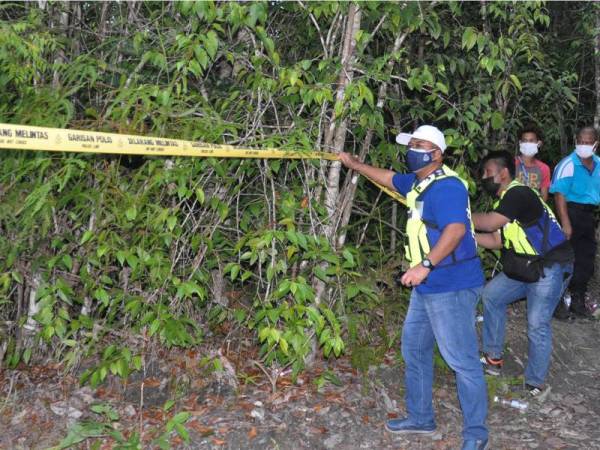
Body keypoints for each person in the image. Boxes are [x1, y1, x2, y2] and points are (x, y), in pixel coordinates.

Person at [339, 125, 488, 450]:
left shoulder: (447, 187)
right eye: (411, 145)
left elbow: (456, 231)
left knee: (461, 359)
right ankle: (421, 418)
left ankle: (476, 433)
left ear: (437, 153)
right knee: (415, 349)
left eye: (419, 145)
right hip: (428, 286)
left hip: (451, 283)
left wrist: (425, 265)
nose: (412, 150)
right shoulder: (421, 182)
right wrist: (355, 165)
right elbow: (390, 178)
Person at [473, 151, 573, 396]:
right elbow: (497, 239)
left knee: (537, 323)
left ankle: (534, 382)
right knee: (492, 296)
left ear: (503, 173)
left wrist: (456, 218)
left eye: (488, 172)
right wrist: (467, 236)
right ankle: (493, 358)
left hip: (550, 266)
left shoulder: (519, 193)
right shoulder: (505, 203)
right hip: (527, 266)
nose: (484, 178)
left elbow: (489, 224)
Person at [550, 126, 600, 318]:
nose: (583, 145)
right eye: (581, 141)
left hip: (588, 215)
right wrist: (566, 223)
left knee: (586, 259)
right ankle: (557, 302)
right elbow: (559, 195)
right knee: (564, 258)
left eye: (588, 142)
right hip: (570, 212)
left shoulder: (598, 164)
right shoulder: (568, 164)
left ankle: (578, 300)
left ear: (596, 144)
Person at [514, 126, 551, 201]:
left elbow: (544, 197)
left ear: (539, 143)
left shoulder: (544, 168)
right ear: (520, 143)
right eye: (525, 141)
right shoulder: (511, 163)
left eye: (531, 141)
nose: (528, 144)